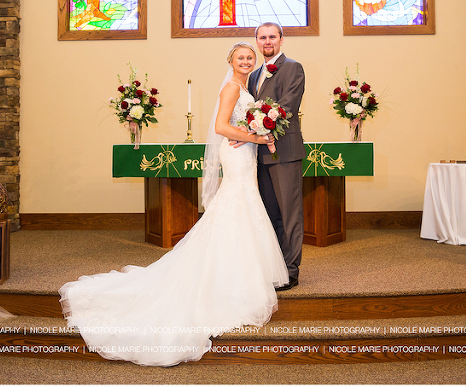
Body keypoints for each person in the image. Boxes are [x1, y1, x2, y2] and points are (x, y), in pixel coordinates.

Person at [59, 42, 288, 367]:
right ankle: (227, 281)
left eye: (250, 57)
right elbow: (221, 127)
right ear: (231, 61)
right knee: (236, 204)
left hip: (246, 153)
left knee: (243, 206)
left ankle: (237, 277)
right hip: (238, 155)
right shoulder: (231, 88)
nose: (246, 61)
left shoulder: (246, 89)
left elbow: (241, 125)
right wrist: (254, 137)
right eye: (241, 57)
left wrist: (259, 133)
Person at [247, 22, 306, 291]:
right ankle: (275, 266)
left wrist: (260, 127)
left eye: (272, 36)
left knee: (290, 213)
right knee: (271, 214)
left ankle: (291, 270)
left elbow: (287, 106)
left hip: (284, 152)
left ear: (282, 39)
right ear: (257, 41)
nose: (267, 41)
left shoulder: (292, 67)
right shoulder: (253, 75)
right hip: (260, 153)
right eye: (262, 37)